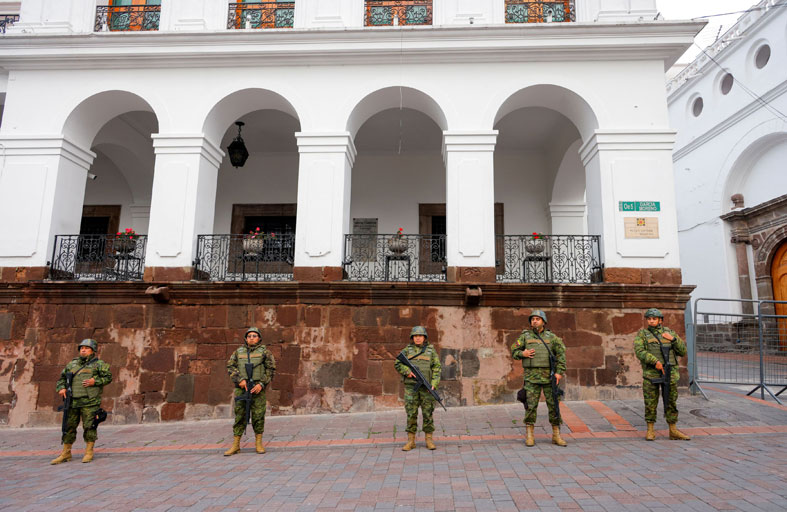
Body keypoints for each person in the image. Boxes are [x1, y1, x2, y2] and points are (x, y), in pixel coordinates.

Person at [510, 310, 567, 447]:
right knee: (530, 406)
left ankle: (556, 435)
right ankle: (530, 435)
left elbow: (561, 355)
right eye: (532, 319)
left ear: (543, 321)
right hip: (531, 378)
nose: (534, 321)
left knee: (554, 406)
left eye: (537, 319)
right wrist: (523, 353)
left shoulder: (552, 338)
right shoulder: (525, 337)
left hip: (549, 378)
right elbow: (514, 350)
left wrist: (559, 373)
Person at [51, 338, 112, 464]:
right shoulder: (72, 364)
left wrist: (95, 381)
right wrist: (61, 388)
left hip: (90, 401)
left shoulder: (99, 364)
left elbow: (108, 377)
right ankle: (66, 453)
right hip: (72, 401)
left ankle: (89, 451)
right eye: (82, 348)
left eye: (87, 348)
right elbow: (62, 378)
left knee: (89, 426)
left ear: (93, 350)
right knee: (69, 426)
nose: (83, 350)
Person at [634, 308, 691, 441]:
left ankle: (673, 430)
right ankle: (650, 430)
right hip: (651, 374)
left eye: (654, 319)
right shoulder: (642, 334)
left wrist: (674, 339)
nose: (651, 321)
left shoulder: (669, 333)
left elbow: (682, 351)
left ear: (660, 320)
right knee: (650, 402)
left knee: (671, 402)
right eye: (649, 319)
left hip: (670, 374)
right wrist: (655, 361)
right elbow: (640, 351)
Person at [224, 327, 276, 456]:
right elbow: (230, 366)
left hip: (257, 388)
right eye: (249, 336)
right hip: (242, 388)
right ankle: (236, 445)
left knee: (258, 416)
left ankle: (258, 443)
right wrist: (239, 380)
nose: (251, 338)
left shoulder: (265, 352)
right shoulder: (238, 352)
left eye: (254, 336)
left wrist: (261, 384)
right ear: (246, 338)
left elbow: (270, 369)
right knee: (239, 415)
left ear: (259, 338)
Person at [394, 326, 441, 451]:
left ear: (424, 337)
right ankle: (411, 441)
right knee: (411, 413)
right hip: (411, 388)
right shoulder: (407, 350)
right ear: (412, 338)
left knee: (427, 413)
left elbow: (437, 367)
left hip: (426, 388)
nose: (418, 338)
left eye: (420, 336)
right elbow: (397, 363)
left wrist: (434, 384)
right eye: (415, 336)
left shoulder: (431, 351)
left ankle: (429, 440)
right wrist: (407, 371)